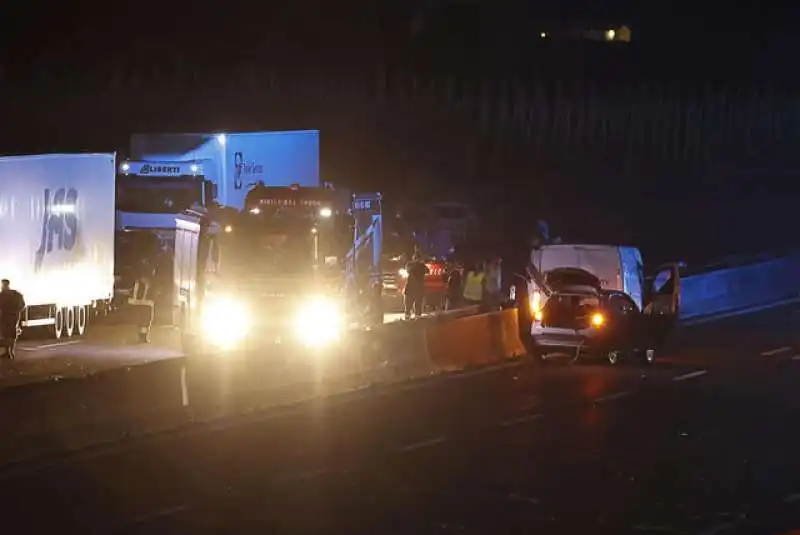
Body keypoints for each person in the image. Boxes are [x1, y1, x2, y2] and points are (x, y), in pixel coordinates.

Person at [0, 279, 26, 360]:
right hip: (12, 316)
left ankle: (9, 352)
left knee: (7, 334)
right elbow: (22, 305)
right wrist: (17, 311)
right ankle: (9, 352)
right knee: (10, 334)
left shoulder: (3, 294)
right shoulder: (16, 294)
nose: (2, 287)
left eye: (3, 285)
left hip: (6, 316)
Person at [403, 254, 429, 319]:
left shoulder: (412, 265)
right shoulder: (420, 266)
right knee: (415, 309)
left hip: (411, 290)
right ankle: (413, 320)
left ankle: (409, 320)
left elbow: (427, 271)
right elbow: (427, 271)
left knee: (411, 308)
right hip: (416, 290)